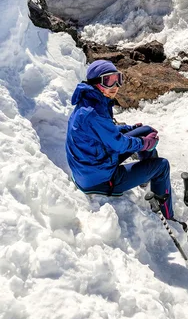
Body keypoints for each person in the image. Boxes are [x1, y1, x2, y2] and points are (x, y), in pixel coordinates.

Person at [66, 60, 174, 219]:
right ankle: (167, 216)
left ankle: (145, 177)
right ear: (96, 83)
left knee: (145, 130)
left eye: (118, 78)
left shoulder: (91, 101)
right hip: (99, 180)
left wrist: (127, 129)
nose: (115, 85)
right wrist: (145, 143)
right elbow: (119, 144)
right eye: (109, 81)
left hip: (92, 166)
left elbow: (102, 132)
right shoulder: (93, 113)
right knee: (162, 165)